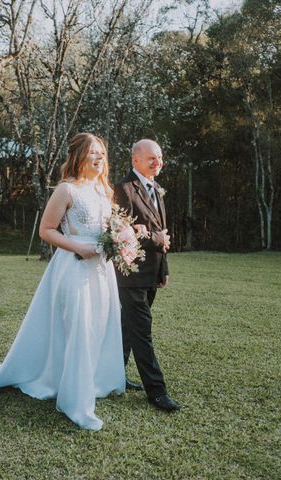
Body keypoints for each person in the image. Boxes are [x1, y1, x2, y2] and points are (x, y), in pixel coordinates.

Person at [0, 133, 125, 430]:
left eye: (102, 153)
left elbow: (110, 228)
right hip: (74, 266)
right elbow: (46, 230)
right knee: (76, 325)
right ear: (78, 156)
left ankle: (92, 378)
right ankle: (71, 394)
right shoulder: (67, 190)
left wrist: (122, 239)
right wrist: (77, 246)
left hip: (102, 271)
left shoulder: (105, 190)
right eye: (93, 152)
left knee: (98, 324)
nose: (98, 158)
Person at [113, 139, 181, 412]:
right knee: (142, 330)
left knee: (128, 328)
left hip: (152, 272)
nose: (158, 162)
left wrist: (163, 270)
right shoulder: (123, 189)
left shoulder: (157, 190)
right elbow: (120, 233)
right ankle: (156, 390)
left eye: (160, 157)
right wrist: (155, 237)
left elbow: (161, 235)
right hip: (130, 273)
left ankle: (114, 373)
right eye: (151, 158)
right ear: (135, 160)